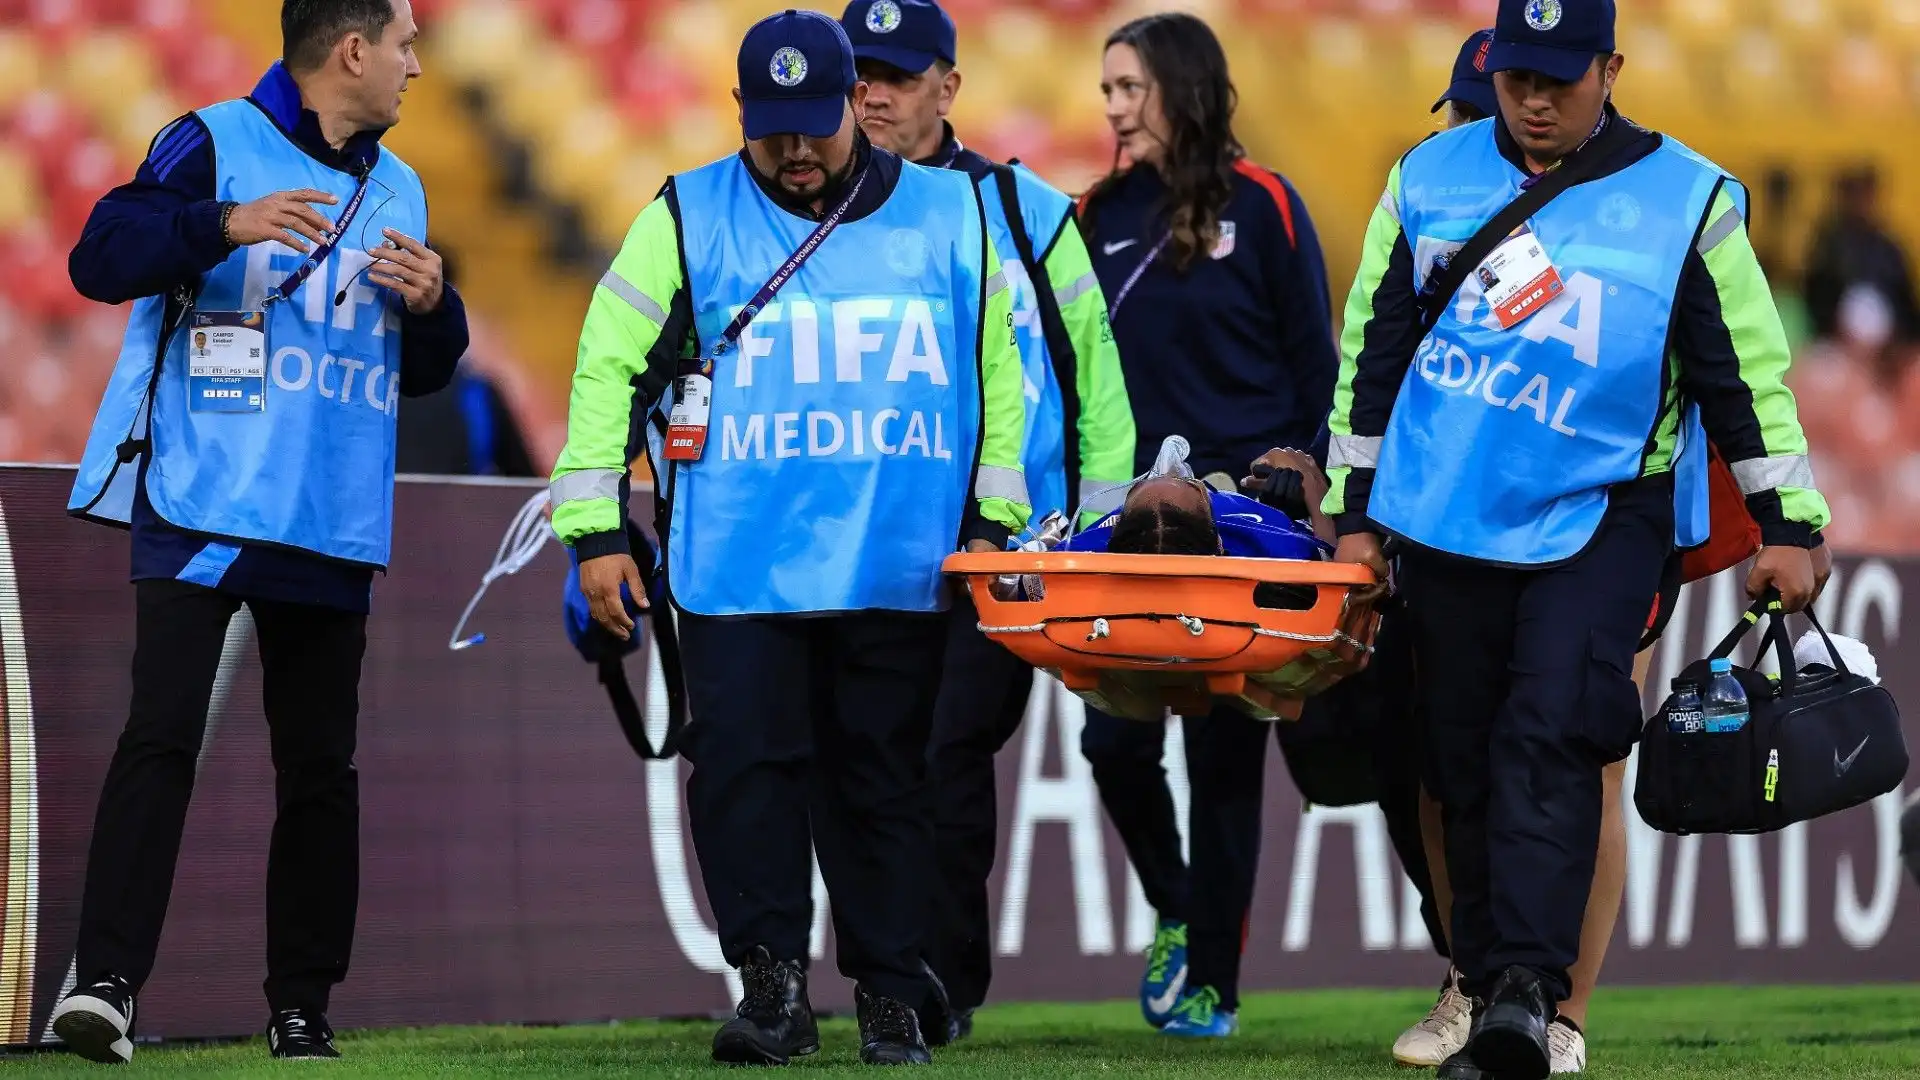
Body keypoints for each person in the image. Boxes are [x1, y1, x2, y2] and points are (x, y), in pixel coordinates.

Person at [1325, 2, 1829, 1078]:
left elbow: (1746, 373)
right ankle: (1489, 980)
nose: (1537, 99)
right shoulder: (1425, 179)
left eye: (1562, 77)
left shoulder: (1689, 200)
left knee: (1553, 733)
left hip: (1603, 515)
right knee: (1457, 757)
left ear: (1612, 67)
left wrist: (1787, 523)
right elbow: (1372, 354)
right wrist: (1355, 518)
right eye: (1518, 78)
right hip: (1447, 514)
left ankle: (1526, 997)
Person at [547, 10, 1028, 1067]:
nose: (798, 151)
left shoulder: (954, 214)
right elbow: (604, 368)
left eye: (815, 126)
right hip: (735, 567)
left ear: (854, 100)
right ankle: (771, 988)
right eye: (775, 134)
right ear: (741, 117)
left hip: (895, 563)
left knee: (887, 784)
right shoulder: (683, 213)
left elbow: (1001, 374)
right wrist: (593, 535)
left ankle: (892, 993)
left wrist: (997, 522)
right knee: (742, 780)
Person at [53, 0, 465, 1064]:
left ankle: (300, 1008)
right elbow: (100, 257)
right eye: (408, 44)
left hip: (327, 512)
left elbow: (420, 365)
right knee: (160, 738)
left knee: (321, 769)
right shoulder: (209, 141)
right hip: (205, 496)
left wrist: (437, 307)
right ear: (354, 50)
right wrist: (220, 223)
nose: (419, 67)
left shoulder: (404, 185)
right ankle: (103, 989)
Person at [837, 0, 1137, 1040]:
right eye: (858, 73)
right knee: (882, 758)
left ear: (947, 88)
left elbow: (1094, 375)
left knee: (946, 751)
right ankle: (905, 974)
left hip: (1010, 548)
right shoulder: (811, 215)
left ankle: (936, 980)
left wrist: (1096, 541)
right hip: (869, 536)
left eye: (896, 73)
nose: (872, 93)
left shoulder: (1024, 209)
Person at [1073, 11, 1340, 1037]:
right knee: (1112, 741)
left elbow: (1316, 375)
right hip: (1132, 523)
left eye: (1129, 88)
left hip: (1247, 527)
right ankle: (1177, 903)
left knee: (1228, 753)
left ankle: (1216, 985)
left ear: (1184, 90)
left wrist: (1301, 484)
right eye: (1106, 90)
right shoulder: (1094, 214)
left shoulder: (1267, 205)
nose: (1112, 109)